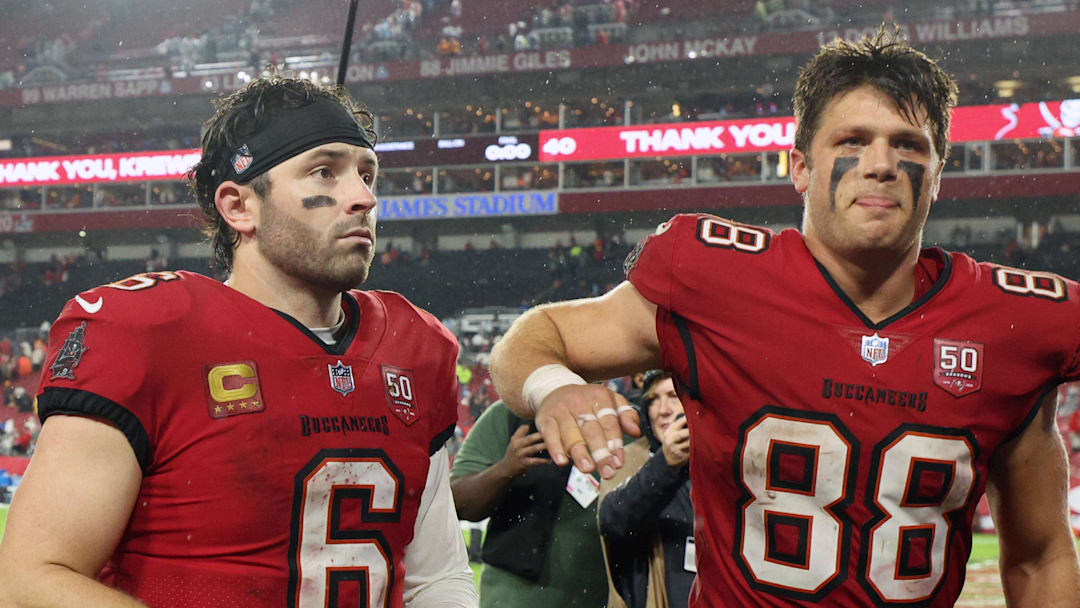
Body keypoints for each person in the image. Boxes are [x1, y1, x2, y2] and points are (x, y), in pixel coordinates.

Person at [489, 27, 1080, 606]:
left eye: (909, 145)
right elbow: (535, 337)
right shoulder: (716, 279)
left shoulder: (1011, 323)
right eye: (852, 141)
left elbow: (1039, 555)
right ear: (798, 166)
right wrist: (554, 386)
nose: (882, 164)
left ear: (938, 174)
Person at [0, 76, 477, 608]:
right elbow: (32, 581)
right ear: (238, 207)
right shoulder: (148, 331)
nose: (364, 198)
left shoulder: (417, 346)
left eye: (368, 175)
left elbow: (436, 579)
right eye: (326, 172)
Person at [450, 400, 608, 607]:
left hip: (597, 598)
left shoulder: (620, 420)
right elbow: (458, 502)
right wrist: (505, 469)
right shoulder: (511, 413)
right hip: (511, 598)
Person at [597, 370, 694, 608]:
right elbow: (614, 522)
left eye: (673, 396)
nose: (663, 409)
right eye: (653, 400)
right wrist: (666, 464)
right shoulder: (629, 460)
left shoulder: (722, 462)